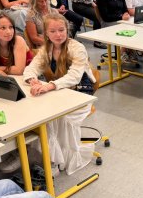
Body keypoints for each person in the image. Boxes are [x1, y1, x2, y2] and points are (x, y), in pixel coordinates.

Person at [23, 13, 97, 175]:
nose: (58, 35)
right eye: (53, 31)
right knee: (44, 115)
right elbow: (31, 68)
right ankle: (53, 157)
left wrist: (49, 86)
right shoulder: (46, 49)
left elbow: (74, 77)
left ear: (67, 30)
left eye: (61, 30)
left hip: (81, 92)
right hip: (60, 90)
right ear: (46, 34)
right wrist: (32, 79)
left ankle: (59, 159)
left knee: (57, 117)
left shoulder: (77, 48)